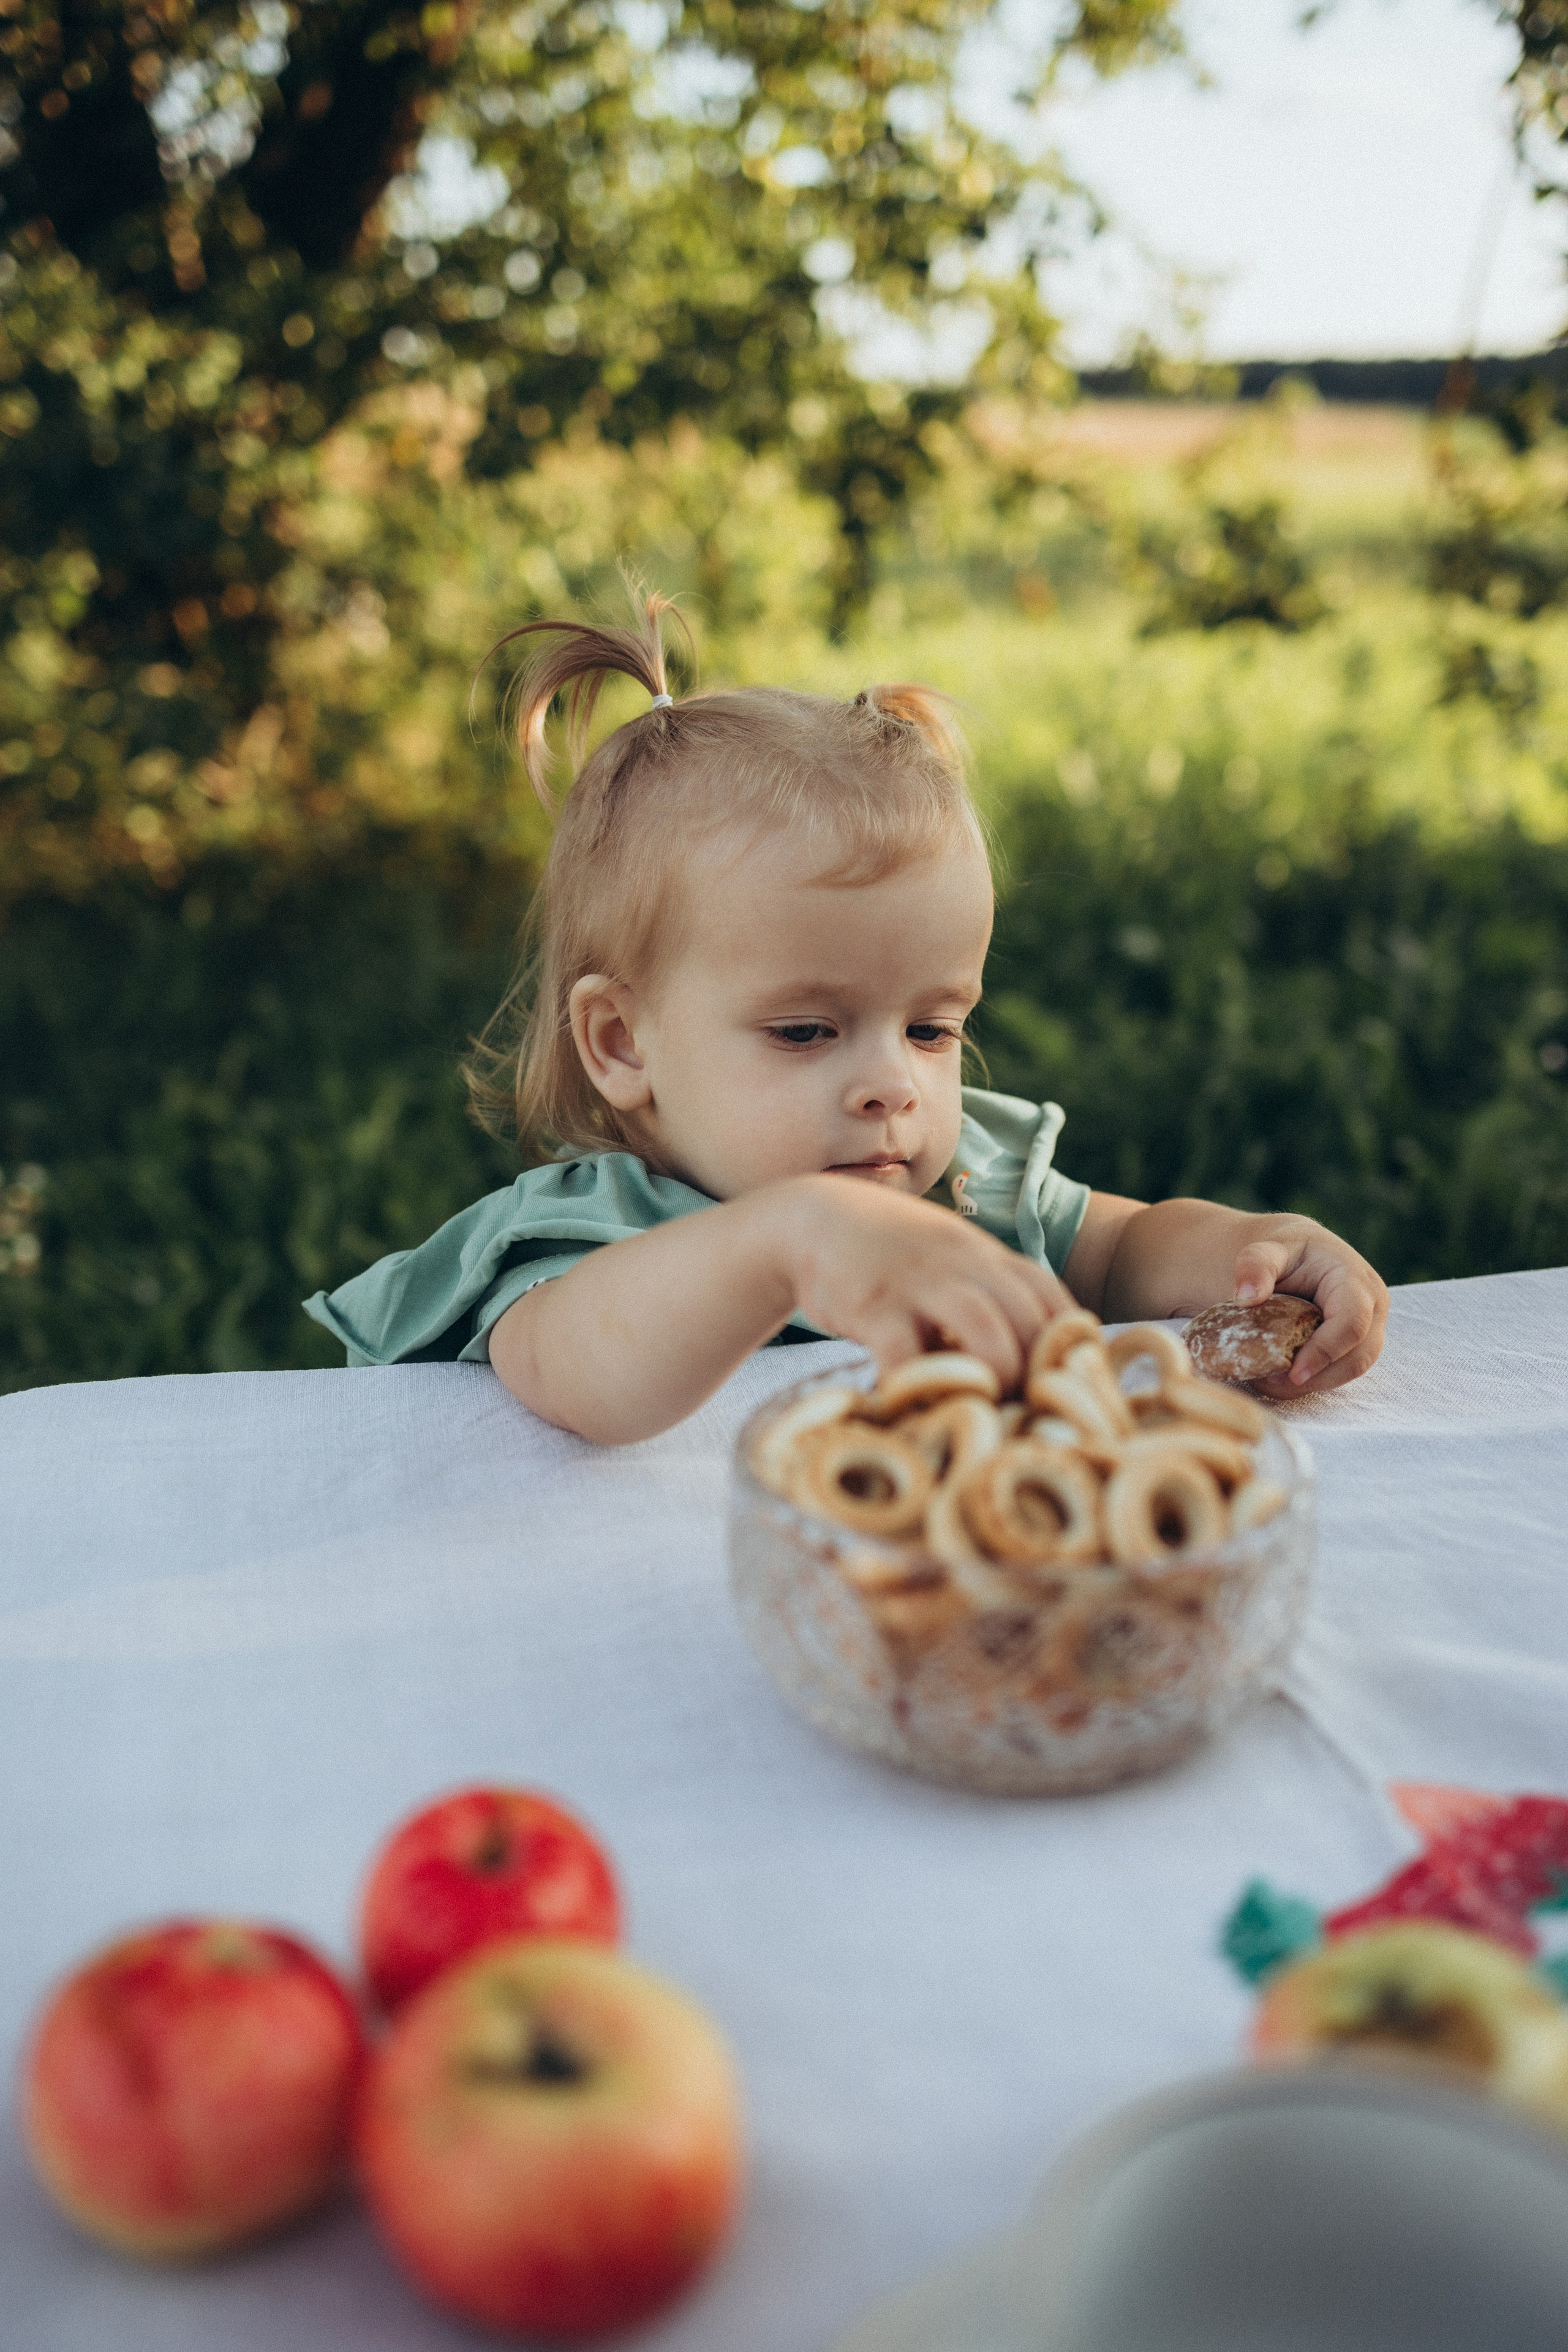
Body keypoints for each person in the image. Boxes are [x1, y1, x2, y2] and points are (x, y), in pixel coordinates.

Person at [304, 594, 1387, 1443]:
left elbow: (1117, 1251)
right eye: (806, 1033)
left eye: (930, 1028)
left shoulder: (971, 1188)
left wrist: (1250, 1252)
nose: (892, 1086)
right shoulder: (594, 1239)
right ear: (623, 1043)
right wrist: (789, 1246)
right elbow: (585, 1379)